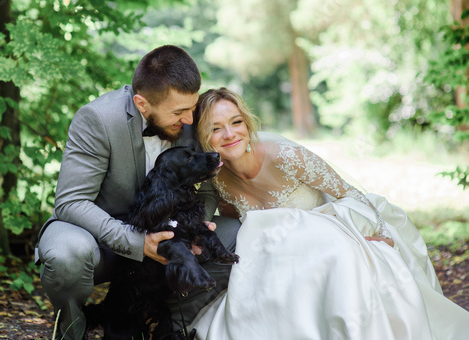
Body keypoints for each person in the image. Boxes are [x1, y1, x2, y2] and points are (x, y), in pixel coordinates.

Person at [188, 87, 469, 340]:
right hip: (281, 257)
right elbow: (240, 223)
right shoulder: (218, 179)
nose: (229, 134)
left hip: (328, 238)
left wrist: (382, 233)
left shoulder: (284, 157)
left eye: (236, 122)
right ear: (203, 136)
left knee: (341, 261)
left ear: (247, 124)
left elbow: (349, 192)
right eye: (215, 128)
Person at [35, 47, 241, 340]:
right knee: (67, 254)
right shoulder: (97, 119)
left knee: (235, 233)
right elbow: (71, 202)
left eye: (192, 107)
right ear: (142, 104)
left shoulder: (189, 117)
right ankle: (72, 326)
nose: (189, 119)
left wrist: (192, 231)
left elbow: (207, 191)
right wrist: (139, 242)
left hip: (169, 237)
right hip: (99, 240)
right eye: (179, 112)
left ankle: (169, 322)